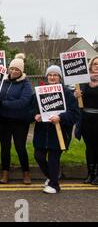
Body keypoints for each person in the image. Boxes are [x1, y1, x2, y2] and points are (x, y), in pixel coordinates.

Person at [34, 65, 80, 194]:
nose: (52, 77)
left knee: (54, 159)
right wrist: (36, 115)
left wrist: (60, 117)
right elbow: (33, 108)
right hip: (42, 132)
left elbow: (75, 114)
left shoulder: (67, 93)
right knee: (39, 156)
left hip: (59, 133)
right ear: (47, 76)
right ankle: (52, 177)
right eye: (50, 75)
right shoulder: (41, 91)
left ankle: (55, 185)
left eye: (55, 75)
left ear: (60, 77)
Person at [0, 54, 34, 184]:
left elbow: (23, 102)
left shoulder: (26, 84)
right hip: (2, 119)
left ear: (21, 71)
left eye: (17, 69)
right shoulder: (3, 81)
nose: (14, 71)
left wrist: (4, 103)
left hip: (19, 121)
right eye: (12, 68)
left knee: (20, 147)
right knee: (5, 147)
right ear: (8, 69)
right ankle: (5, 173)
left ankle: (26, 173)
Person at [74, 56, 98, 185]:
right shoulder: (83, 81)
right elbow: (77, 99)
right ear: (90, 66)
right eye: (95, 64)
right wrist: (76, 95)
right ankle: (90, 174)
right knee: (90, 147)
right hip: (86, 120)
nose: (97, 66)